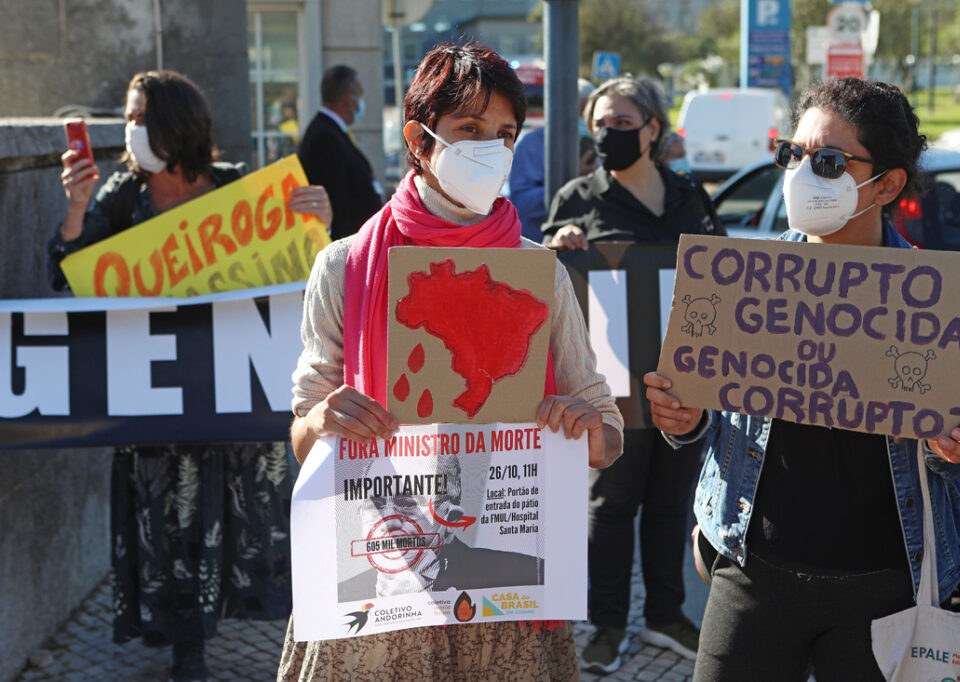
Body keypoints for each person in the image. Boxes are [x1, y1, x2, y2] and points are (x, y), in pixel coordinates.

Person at [644, 78, 960, 681]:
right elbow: (707, 417)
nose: (801, 173)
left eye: (829, 162)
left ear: (887, 184)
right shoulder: (744, 279)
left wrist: (959, 446)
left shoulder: (938, 297)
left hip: (889, 590)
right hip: (754, 574)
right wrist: (685, 421)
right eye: (793, 153)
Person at [279, 43, 624, 681]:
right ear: (419, 138)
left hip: (502, 589)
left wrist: (582, 425)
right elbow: (304, 436)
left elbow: (605, 436)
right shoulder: (346, 265)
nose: (490, 149)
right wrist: (324, 419)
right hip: (383, 584)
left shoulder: (536, 273)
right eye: (470, 129)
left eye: (505, 134)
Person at [51, 69, 333, 682]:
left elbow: (310, 276)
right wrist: (75, 213)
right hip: (155, 405)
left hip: (231, 400)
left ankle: (270, 625)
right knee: (168, 520)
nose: (128, 130)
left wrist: (320, 225)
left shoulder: (241, 192)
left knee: (229, 515)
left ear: (175, 125)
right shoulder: (122, 196)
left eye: (137, 117)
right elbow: (67, 279)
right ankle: (187, 645)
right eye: (127, 117)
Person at [541, 76, 726, 674]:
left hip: (681, 386)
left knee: (674, 502)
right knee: (612, 505)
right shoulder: (578, 197)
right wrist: (556, 243)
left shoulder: (689, 197)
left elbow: (723, 275)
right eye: (598, 122)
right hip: (610, 387)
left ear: (652, 128)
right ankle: (607, 625)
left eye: (620, 122)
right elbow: (547, 281)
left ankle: (666, 617)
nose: (605, 133)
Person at [337, 453, 544, 601]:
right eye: (376, 505)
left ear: (451, 520)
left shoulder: (526, 576)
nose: (389, 519)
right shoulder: (339, 593)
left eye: (409, 504)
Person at [299, 65, 383, 241]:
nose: (361, 100)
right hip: (345, 250)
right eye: (359, 94)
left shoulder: (332, 131)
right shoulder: (324, 138)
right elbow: (337, 204)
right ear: (348, 99)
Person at [506, 78, 596, 242]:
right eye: (582, 111)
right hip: (541, 246)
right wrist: (574, 181)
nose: (585, 119)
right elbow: (522, 204)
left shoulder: (598, 144)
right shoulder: (532, 145)